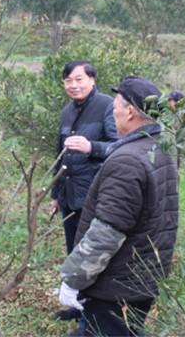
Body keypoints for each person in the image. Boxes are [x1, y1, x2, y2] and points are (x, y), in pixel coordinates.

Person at [58, 76, 179, 337]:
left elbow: (107, 232)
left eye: (115, 109)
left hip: (117, 282)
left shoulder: (127, 160)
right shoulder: (161, 148)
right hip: (142, 275)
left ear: (131, 112)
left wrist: (73, 279)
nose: (113, 114)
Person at [50, 60, 118, 321]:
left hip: (94, 194)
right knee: (74, 250)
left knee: (93, 253)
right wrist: (55, 194)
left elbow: (120, 145)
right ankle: (78, 304)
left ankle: (95, 309)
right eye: (69, 80)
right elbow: (60, 154)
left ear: (92, 79)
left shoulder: (107, 107)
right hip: (69, 194)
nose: (74, 85)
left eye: (79, 79)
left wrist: (92, 147)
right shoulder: (67, 111)